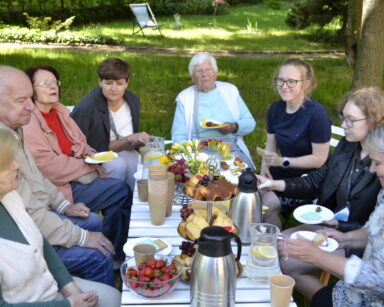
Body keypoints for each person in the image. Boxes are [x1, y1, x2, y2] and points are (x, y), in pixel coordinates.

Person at [0, 65, 123, 287]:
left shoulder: (16, 128)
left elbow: (38, 178)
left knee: (93, 222)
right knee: (98, 254)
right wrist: (82, 238)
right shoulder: (4, 146)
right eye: (21, 100)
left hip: (41, 216)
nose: (30, 106)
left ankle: (81, 284)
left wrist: (65, 206)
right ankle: (76, 286)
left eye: (30, 98)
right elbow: (32, 216)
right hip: (23, 245)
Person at [257, 87, 384, 299]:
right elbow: (317, 180)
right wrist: (276, 185)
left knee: (286, 255)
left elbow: (373, 228)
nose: (343, 125)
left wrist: (340, 227)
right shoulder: (347, 146)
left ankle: (333, 298)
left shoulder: (380, 164)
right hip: (332, 227)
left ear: (373, 121)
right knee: (278, 243)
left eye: (350, 120)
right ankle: (330, 297)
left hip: (356, 240)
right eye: (343, 118)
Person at [0, 128, 121, 307]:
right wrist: (68, 304)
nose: (17, 165)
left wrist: (69, 287)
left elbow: (41, 243)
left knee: (114, 298)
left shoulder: (10, 197)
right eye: (8, 162)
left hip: (48, 288)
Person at [279, 123, 384, 307]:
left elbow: (379, 281)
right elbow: (372, 230)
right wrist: (345, 238)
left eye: (378, 163)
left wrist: (317, 256)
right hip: (350, 293)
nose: (373, 170)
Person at [260, 59, 332, 228]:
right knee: (248, 193)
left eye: (292, 81)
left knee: (265, 206)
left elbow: (319, 159)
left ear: (306, 84)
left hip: (309, 180)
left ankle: (274, 246)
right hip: (282, 170)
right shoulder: (275, 109)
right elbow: (270, 146)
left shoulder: (317, 115)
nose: (284, 86)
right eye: (281, 80)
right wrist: (265, 166)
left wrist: (283, 161)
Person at [72, 58, 150, 191]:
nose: (114, 88)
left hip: (121, 149)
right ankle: (112, 203)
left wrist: (140, 140)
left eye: (119, 83)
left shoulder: (133, 100)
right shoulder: (87, 108)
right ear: (100, 82)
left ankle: (131, 204)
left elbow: (128, 143)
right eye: (109, 83)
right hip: (95, 155)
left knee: (136, 161)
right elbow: (91, 149)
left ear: (127, 83)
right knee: (117, 165)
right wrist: (129, 139)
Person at [171, 53, 256, 168]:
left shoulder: (230, 91)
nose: (204, 74)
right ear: (192, 76)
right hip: (199, 156)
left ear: (216, 73)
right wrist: (193, 153)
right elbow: (178, 136)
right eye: (199, 71)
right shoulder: (185, 97)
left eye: (208, 69)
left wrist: (234, 126)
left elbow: (250, 123)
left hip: (230, 154)